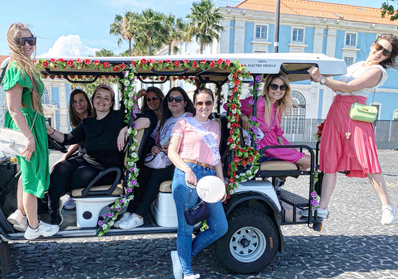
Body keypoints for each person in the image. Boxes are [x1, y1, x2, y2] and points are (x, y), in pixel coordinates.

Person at [307, 33, 398, 225]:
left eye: (385, 52)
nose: (380, 53)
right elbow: (339, 87)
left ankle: (387, 206)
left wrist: (321, 79)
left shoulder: (377, 71)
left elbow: (348, 86)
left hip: (355, 114)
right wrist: (319, 77)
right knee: (329, 161)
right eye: (378, 47)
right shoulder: (356, 65)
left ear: (387, 57)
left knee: (368, 160)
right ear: (372, 45)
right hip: (337, 112)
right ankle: (323, 207)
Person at [46, 85, 151, 225]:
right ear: (93, 100)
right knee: (60, 168)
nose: (102, 101)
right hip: (86, 161)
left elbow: (147, 121)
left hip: (107, 170)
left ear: (111, 103)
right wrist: (48, 128)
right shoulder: (88, 123)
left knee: (74, 176)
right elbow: (67, 139)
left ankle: (47, 199)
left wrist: (126, 129)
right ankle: (53, 211)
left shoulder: (119, 117)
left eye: (106, 98)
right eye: (98, 97)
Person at [4, 22, 59, 240]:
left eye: (31, 40)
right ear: (13, 43)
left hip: (32, 123)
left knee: (26, 173)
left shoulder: (25, 66)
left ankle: (21, 213)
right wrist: (29, 137)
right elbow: (13, 109)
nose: (28, 44)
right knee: (31, 176)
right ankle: (34, 228)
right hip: (26, 126)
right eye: (22, 40)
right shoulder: (16, 68)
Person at [168, 88, 228, 279]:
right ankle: (187, 272)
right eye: (200, 103)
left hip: (209, 176)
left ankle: (183, 256)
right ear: (194, 104)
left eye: (208, 103)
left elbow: (216, 157)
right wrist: (187, 170)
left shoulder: (215, 126)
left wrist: (221, 181)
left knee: (220, 226)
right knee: (185, 228)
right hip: (187, 174)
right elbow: (172, 152)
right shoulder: (183, 122)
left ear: (213, 104)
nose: (204, 107)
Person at [116, 87, 195, 229]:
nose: (174, 102)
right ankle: (130, 211)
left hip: (182, 163)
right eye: (171, 99)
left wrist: (174, 147)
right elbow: (160, 139)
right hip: (166, 159)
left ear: (184, 102)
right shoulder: (167, 119)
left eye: (178, 99)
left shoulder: (189, 118)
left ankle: (139, 216)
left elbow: (191, 142)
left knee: (157, 175)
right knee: (143, 173)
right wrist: (156, 148)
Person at [237, 73, 312, 189]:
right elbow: (228, 106)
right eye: (274, 86)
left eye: (282, 87)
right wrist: (242, 116)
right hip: (264, 149)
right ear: (267, 87)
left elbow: (277, 130)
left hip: (275, 146)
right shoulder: (257, 103)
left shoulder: (278, 106)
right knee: (309, 161)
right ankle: (278, 183)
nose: (278, 90)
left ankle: (279, 183)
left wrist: (284, 147)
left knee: (307, 161)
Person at [53, 89, 92, 211]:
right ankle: (52, 199)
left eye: (81, 100)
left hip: (90, 157)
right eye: (75, 102)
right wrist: (65, 156)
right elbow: (76, 141)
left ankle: (62, 199)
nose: (78, 104)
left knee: (68, 171)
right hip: (82, 154)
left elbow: (69, 139)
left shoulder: (92, 120)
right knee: (60, 167)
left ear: (87, 102)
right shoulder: (78, 121)